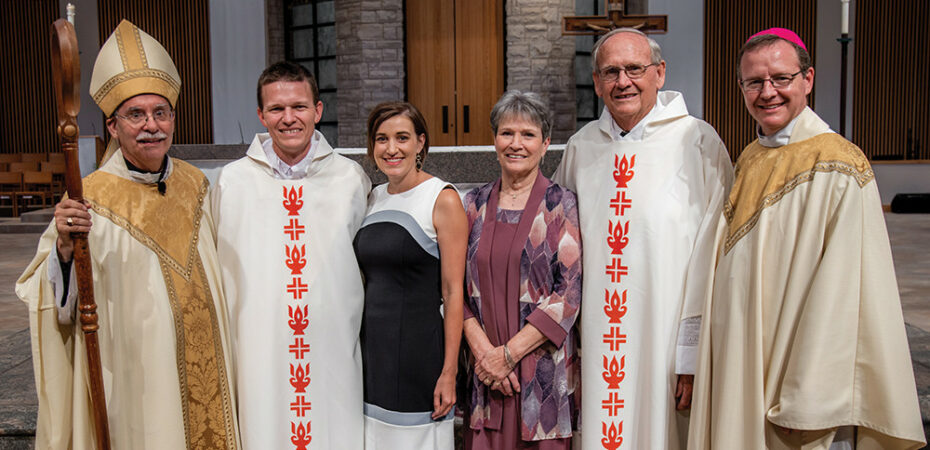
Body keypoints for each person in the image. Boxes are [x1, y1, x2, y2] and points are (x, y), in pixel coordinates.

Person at [688, 28, 925, 450]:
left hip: (787, 372)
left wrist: (809, 396)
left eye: (781, 78)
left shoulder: (838, 164)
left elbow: (843, 293)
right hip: (738, 359)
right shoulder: (751, 155)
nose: (767, 92)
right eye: (754, 82)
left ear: (808, 79)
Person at [17, 20, 239, 448]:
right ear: (114, 127)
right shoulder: (88, 198)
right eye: (136, 115)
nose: (151, 125)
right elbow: (54, 300)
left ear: (173, 120)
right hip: (136, 376)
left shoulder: (197, 185)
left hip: (209, 369)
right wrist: (64, 247)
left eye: (161, 113)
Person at [553, 28, 733, 449]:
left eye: (635, 69)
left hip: (666, 343)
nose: (623, 81)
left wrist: (692, 357)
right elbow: (561, 252)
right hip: (596, 343)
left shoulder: (698, 142)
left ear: (660, 73)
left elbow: (717, 255)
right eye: (610, 72)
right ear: (596, 82)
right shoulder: (581, 148)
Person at [211, 61, 370, 449]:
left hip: (332, 348)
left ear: (318, 110)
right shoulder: (232, 182)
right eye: (277, 109)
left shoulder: (350, 178)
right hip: (257, 350)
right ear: (261, 115)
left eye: (299, 107)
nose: (289, 118)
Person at [462, 90, 582, 449]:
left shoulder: (561, 204)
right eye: (506, 133)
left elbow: (569, 295)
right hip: (486, 380)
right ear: (494, 140)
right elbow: (455, 290)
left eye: (528, 135)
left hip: (541, 381)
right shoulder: (472, 204)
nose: (516, 143)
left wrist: (508, 355)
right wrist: (487, 357)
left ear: (545, 144)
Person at [352, 101, 466, 449]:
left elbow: (453, 291)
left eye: (402, 137)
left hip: (419, 357)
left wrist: (449, 372)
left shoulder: (442, 198)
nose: (391, 148)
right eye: (382, 139)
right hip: (373, 357)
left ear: (420, 142)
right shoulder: (373, 197)